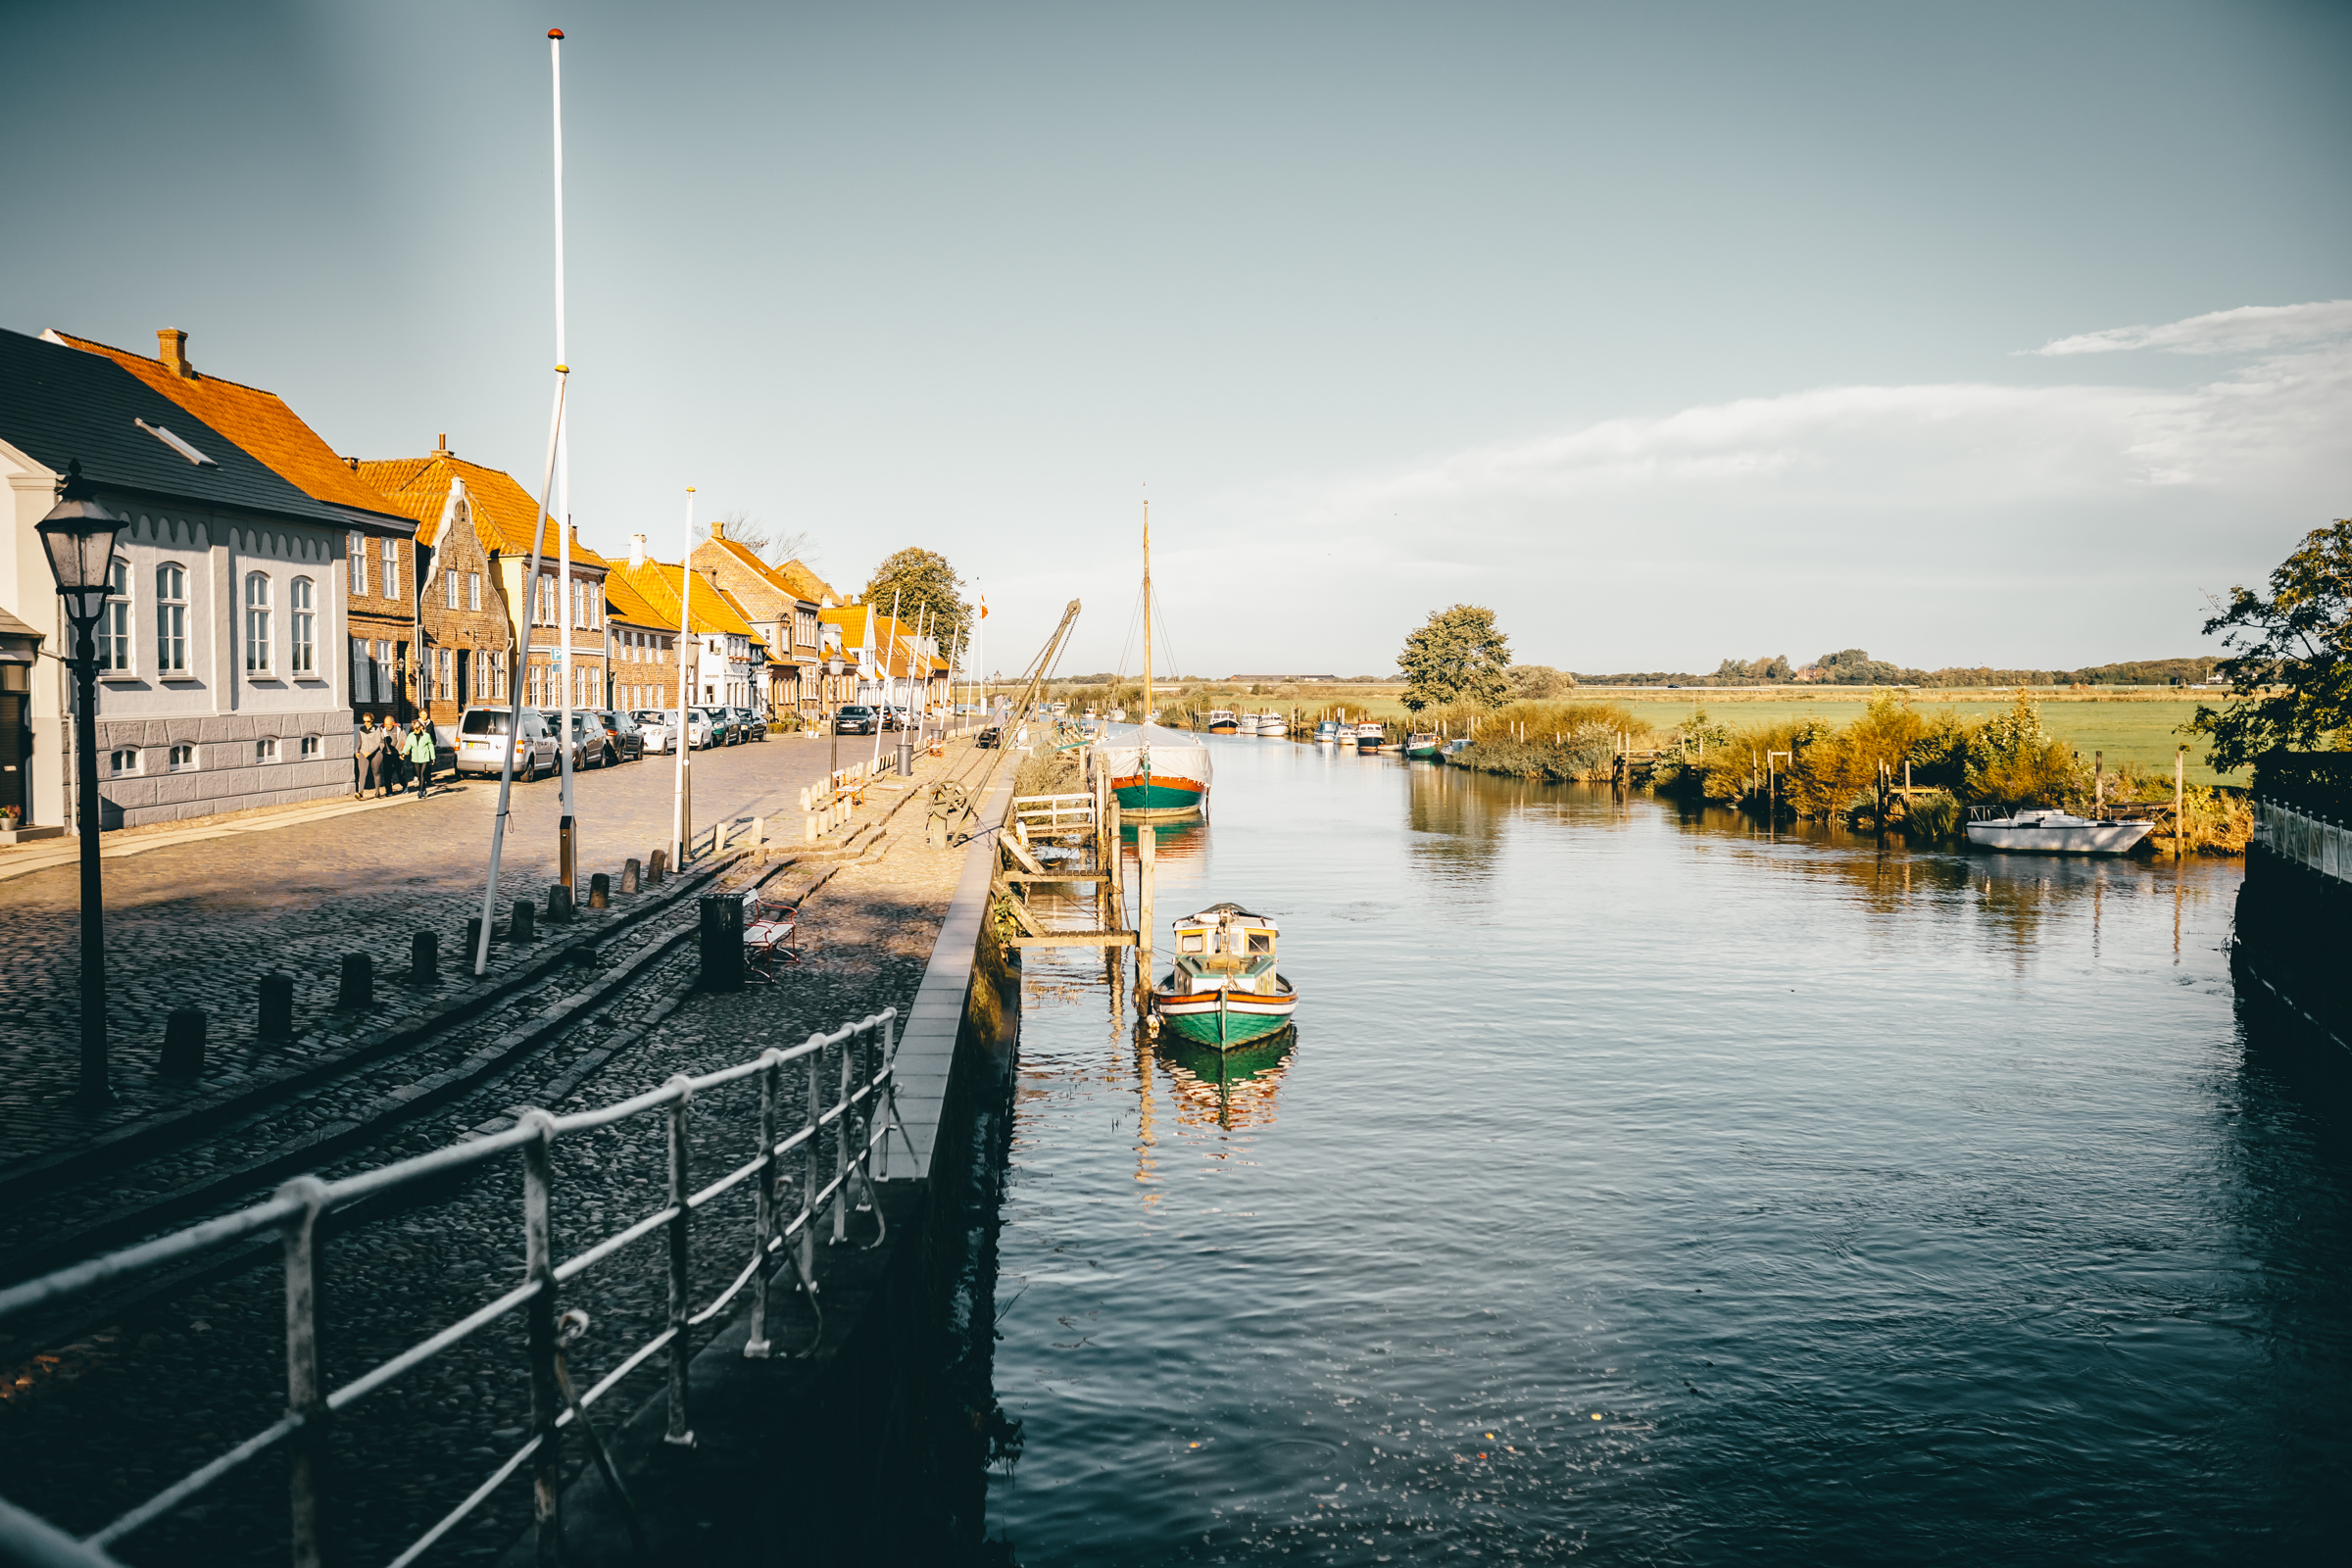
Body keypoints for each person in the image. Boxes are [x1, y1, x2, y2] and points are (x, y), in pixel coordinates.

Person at [404, 716, 437, 799]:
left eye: (417, 729)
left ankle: (421, 791)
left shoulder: (426, 736)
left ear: (420, 728)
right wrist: (403, 753)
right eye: (414, 729)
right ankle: (423, 788)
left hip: (425, 758)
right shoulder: (411, 736)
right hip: (415, 758)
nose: (415, 731)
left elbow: (431, 746)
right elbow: (407, 745)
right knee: (418, 775)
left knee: (422, 774)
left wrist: (432, 757)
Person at [355, 713, 385, 798]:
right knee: (362, 772)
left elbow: (377, 743)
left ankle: (377, 792)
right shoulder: (362, 729)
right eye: (364, 721)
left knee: (376, 772)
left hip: (375, 753)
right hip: (363, 752)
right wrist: (357, 751)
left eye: (368, 721)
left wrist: (370, 752)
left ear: (372, 720)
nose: (366, 723)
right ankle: (360, 792)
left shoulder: (377, 729)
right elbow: (359, 741)